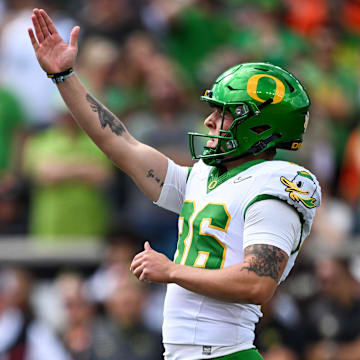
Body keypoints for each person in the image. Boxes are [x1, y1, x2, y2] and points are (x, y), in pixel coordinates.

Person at [28, 8, 321, 360]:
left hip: (224, 354)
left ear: (260, 126)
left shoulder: (278, 183)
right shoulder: (204, 176)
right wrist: (65, 76)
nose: (211, 121)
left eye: (224, 114)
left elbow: (257, 283)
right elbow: (121, 144)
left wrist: (171, 271)